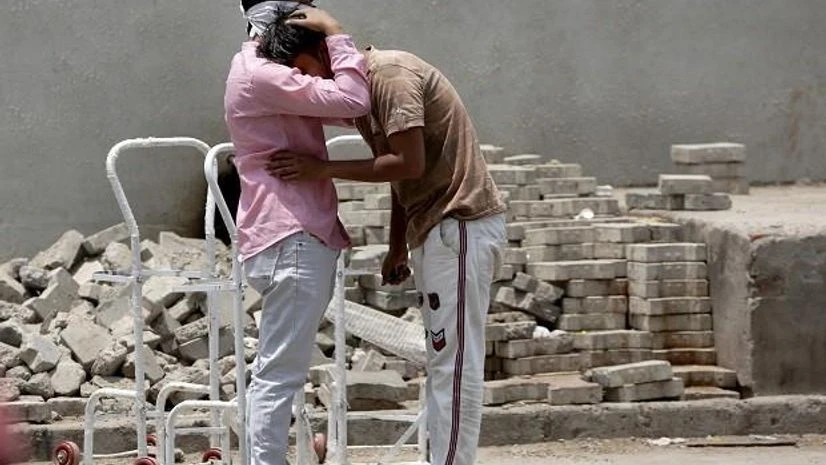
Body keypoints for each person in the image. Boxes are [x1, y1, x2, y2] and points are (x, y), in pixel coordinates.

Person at [264, 13, 507, 465]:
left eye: (302, 70)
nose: (305, 82)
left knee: (454, 368)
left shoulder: (390, 77)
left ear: (321, 51)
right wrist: (398, 246)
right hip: (435, 229)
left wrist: (322, 169)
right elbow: (400, 175)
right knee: (442, 364)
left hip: (459, 226)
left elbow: (406, 164)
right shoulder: (365, 95)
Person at [225, 2, 370, 465]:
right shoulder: (262, 74)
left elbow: (348, 111)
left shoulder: (270, 72)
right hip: (291, 236)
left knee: (281, 371)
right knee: (279, 375)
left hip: (295, 236)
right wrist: (336, 31)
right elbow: (353, 101)